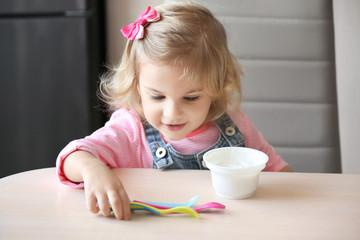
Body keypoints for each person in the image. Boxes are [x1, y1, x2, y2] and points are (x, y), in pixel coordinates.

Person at [56, 1, 292, 221]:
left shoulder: (235, 124)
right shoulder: (131, 130)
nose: (172, 113)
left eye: (191, 98)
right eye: (157, 96)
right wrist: (92, 170)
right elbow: (72, 157)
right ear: (137, 85)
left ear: (216, 87)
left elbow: (279, 172)